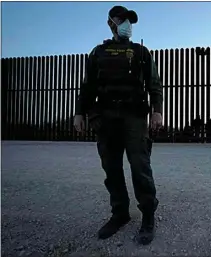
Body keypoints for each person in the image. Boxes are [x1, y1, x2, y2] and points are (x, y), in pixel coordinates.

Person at [73, 6, 163, 245]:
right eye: (122, 20)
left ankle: (148, 215)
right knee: (111, 169)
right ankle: (120, 213)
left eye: (130, 21)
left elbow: (154, 84)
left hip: (134, 117)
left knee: (140, 166)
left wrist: (157, 112)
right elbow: (88, 86)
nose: (127, 25)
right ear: (111, 23)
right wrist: (80, 113)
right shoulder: (98, 52)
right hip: (105, 117)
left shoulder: (141, 52)